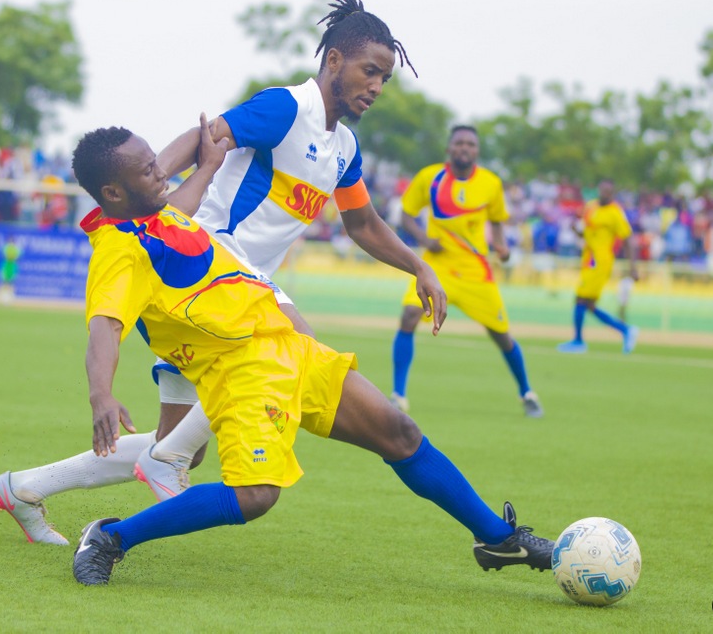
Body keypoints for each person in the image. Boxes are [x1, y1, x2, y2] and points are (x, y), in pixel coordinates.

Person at [0, 0, 450, 541]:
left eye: (384, 77)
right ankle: (159, 466)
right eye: (370, 71)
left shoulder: (343, 148)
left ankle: (23, 488)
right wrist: (146, 206)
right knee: (295, 348)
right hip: (210, 261)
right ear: (334, 61)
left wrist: (418, 267)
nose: (376, 85)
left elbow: (364, 223)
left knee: (183, 445)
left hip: (229, 297)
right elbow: (204, 138)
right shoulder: (287, 108)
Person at [68, 125, 554, 586]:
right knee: (255, 496)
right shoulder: (118, 253)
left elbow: (184, 205)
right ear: (113, 192)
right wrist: (101, 394)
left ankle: (500, 540)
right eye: (148, 169)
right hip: (242, 373)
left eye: (156, 162)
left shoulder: (155, 213)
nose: (162, 171)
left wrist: (209, 167)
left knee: (399, 433)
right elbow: (105, 327)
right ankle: (111, 538)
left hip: (289, 346)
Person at [389, 126, 544, 418]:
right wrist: (424, 240)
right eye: (459, 142)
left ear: (477, 150)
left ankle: (527, 393)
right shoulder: (430, 177)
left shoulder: (490, 183)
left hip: (475, 271)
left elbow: (497, 221)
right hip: (437, 267)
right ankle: (398, 396)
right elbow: (406, 215)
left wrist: (501, 246)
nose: (464, 147)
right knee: (409, 315)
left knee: (501, 335)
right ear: (449, 148)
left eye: (470, 144)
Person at [557, 179, 638, 354]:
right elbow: (586, 234)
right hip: (588, 259)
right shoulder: (591, 207)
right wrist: (575, 230)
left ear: (612, 194)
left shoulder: (615, 213)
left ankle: (578, 341)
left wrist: (633, 267)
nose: (604, 194)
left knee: (580, 299)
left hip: (600, 262)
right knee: (589, 305)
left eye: (608, 192)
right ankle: (625, 330)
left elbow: (628, 240)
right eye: (602, 191)